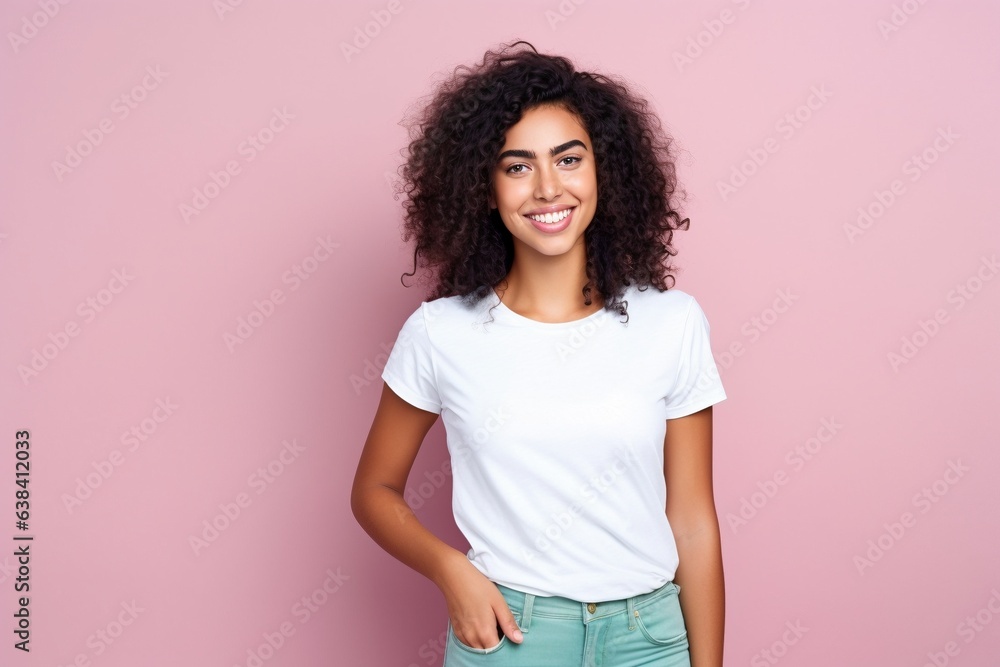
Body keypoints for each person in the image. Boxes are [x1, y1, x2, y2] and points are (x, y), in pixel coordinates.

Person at [352, 40, 727, 667]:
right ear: (484, 186)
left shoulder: (673, 323)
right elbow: (374, 489)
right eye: (518, 166)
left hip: (651, 639)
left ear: (604, 170)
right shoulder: (440, 333)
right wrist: (452, 571)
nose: (548, 188)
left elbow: (692, 519)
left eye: (569, 159)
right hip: (511, 637)